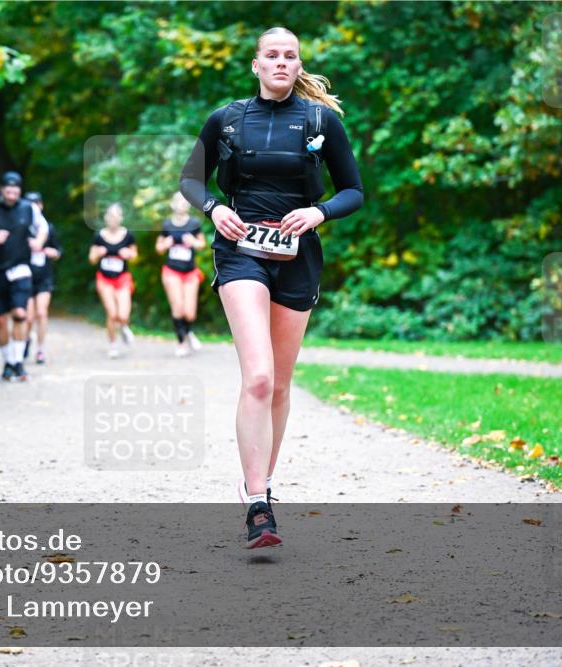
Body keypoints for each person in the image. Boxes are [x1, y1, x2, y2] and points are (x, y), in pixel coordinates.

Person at [179, 26, 363, 548]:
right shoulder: (227, 119)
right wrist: (215, 210)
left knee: (280, 384)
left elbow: (353, 189)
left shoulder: (320, 120)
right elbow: (191, 179)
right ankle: (258, 505)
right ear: (255, 65)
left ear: (298, 65)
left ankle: (262, 483)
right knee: (257, 377)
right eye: (272, 55)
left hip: (297, 256)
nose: (282, 62)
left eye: (291, 56)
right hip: (240, 251)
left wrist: (318, 211)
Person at [0, 171, 49, 381]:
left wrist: (39, 242)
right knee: (2, 320)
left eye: (16, 189)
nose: (12, 193)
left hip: (21, 268)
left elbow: (43, 228)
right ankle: (8, 362)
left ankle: (18, 362)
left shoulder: (28, 208)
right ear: (1, 190)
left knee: (21, 314)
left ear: (19, 191)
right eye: (8, 189)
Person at [156, 191, 207, 357]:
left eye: (185, 201)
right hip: (171, 271)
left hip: (190, 272)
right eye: (178, 201)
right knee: (177, 308)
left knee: (190, 312)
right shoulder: (167, 225)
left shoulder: (194, 223)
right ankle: (181, 342)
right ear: (172, 205)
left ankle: (188, 331)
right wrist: (166, 244)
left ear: (189, 205)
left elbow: (202, 244)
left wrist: (193, 242)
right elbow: (159, 247)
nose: (181, 204)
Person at [88, 203, 137, 359]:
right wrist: (98, 254)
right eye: (110, 215)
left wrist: (128, 253)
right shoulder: (99, 236)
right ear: (105, 217)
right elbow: (91, 259)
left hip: (122, 279)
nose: (113, 219)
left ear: (121, 218)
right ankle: (113, 345)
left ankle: (123, 326)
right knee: (112, 313)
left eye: (116, 216)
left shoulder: (128, 235)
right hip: (105, 280)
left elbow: (135, 255)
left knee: (123, 315)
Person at [24, 192, 61, 364]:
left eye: (36, 203)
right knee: (28, 317)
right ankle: (25, 340)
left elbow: (58, 250)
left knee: (41, 312)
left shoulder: (48, 228)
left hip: (44, 276)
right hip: (25, 276)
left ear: (41, 205)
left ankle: (40, 350)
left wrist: (52, 252)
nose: (32, 207)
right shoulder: (21, 226)